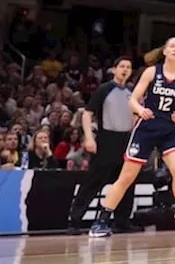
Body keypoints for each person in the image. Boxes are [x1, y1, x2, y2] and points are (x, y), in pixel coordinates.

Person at [89, 37, 175, 238]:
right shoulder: (152, 71)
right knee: (126, 177)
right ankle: (101, 220)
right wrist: (140, 109)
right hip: (146, 128)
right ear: (164, 51)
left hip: (169, 129)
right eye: (172, 45)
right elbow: (133, 100)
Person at [67, 57, 136, 234]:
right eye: (122, 66)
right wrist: (89, 138)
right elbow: (87, 114)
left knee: (126, 181)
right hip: (107, 139)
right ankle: (75, 221)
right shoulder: (104, 89)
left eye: (128, 67)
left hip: (126, 140)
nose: (125, 70)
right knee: (93, 181)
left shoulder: (132, 91)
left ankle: (122, 221)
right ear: (114, 69)